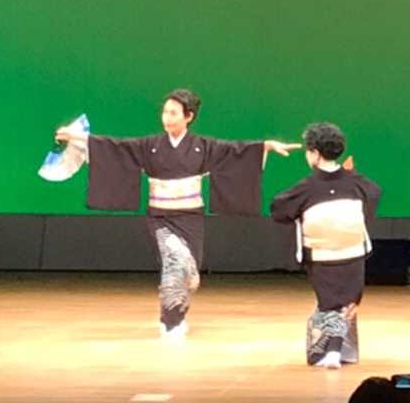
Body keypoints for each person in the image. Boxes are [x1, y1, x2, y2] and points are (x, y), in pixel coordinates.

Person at [53, 87, 299, 338]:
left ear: (188, 116)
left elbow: (235, 151)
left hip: (191, 217)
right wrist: (77, 137)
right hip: (160, 217)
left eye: (173, 113)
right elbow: (116, 147)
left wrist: (265, 147)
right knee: (175, 261)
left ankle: (177, 314)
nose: (167, 118)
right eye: (165, 112)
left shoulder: (203, 146)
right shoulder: (150, 146)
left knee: (190, 273)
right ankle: (170, 322)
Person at [271, 122, 382, 369]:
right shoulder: (355, 181)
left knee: (330, 302)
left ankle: (331, 351)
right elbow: (374, 193)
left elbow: (279, 209)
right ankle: (336, 350)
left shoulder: (306, 188)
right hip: (353, 253)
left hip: (321, 255)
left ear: (315, 153)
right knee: (345, 302)